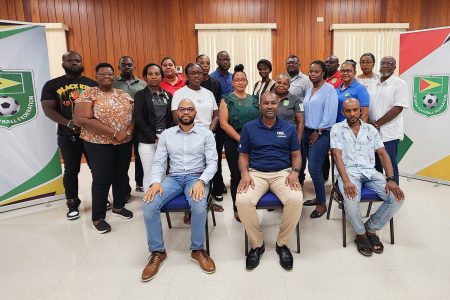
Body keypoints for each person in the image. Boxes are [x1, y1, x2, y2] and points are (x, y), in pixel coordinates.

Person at [141, 99, 217, 281]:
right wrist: (155, 182)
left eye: (190, 109)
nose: (186, 112)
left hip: (196, 177)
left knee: (199, 206)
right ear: (176, 113)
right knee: (149, 205)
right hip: (173, 178)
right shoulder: (167, 135)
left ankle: (197, 249)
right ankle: (157, 252)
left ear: (195, 113)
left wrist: (201, 181)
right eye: (182, 109)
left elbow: (213, 162)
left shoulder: (206, 134)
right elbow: (159, 162)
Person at [236, 92, 303, 270]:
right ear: (260, 106)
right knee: (242, 200)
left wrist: (295, 172)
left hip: (283, 173)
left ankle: (282, 244)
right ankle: (257, 244)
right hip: (256, 173)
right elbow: (243, 156)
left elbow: (296, 155)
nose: (270, 106)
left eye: (273, 103)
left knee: (296, 199)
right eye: (266, 103)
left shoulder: (288, 128)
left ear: (278, 106)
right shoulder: (249, 128)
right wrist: (245, 173)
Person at [331, 98, 404, 256]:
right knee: (350, 201)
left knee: (397, 197)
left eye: (355, 110)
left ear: (360, 111)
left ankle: (370, 228)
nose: (352, 114)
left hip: (370, 172)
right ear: (343, 112)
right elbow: (337, 156)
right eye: (348, 111)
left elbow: (383, 153)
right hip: (348, 173)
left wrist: (391, 179)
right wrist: (346, 181)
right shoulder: (337, 129)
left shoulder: (371, 130)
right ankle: (360, 234)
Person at [41, 51, 103, 220]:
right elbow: (48, 109)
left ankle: (101, 200)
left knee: (97, 168)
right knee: (71, 170)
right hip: (67, 135)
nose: (74, 63)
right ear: (63, 63)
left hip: (92, 135)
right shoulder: (52, 85)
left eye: (77, 60)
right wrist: (69, 123)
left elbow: (99, 108)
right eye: (70, 60)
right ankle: (73, 204)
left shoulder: (91, 84)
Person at [73, 63, 134, 234]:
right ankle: (98, 217)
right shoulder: (88, 93)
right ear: (96, 75)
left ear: (114, 75)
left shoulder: (123, 94)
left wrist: (128, 132)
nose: (106, 76)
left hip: (123, 142)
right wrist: (114, 132)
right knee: (102, 178)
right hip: (98, 143)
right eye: (102, 73)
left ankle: (119, 206)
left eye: (109, 73)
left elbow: (133, 116)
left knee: (121, 175)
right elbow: (82, 120)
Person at [171, 63, 221, 219]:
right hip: (188, 137)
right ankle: (189, 207)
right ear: (187, 75)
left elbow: (216, 115)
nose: (197, 76)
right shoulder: (180, 93)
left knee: (210, 168)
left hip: (207, 136)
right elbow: (176, 117)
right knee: (192, 171)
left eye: (199, 73)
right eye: (193, 73)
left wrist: (209, 131)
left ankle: (207, 199)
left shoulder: (208, 93)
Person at [219, 65, 260, 222]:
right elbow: (223, 123)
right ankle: (238, 208)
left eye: (243, 79)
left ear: (247, 82)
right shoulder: (226, 100)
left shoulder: (255, 99)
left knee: (254, 173)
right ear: (232, 82)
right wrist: (241, 139)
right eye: (237, 80)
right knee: (237, 175)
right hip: (233, 141)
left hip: (255, 142)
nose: (240, 82)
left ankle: (252, 204)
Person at [302, 61, 338, 218]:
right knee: (313, 167)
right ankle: (318, 197)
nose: (312, 74)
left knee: (314, 168)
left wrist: (318, 130)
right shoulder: (310, 89)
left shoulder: (329, 89)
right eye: (310, 71)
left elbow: (330, 115)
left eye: (316, 71)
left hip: (322, 132)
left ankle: (322, 204)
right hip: (307, 131)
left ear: (323, 73)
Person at [367, 56, 409, 185]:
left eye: (389, 63)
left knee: (389, 163)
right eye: (383, 63)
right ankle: (380, 189)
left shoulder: (399, 84)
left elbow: (398, 108)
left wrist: (376, 124)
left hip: (389, 132)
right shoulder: (373, 83)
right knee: (376, 163)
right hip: (373, 130)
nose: (385, 65)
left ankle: (394, 193)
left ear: (394, 67)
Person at [134, 63, 174, 193]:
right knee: (149, 174)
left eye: (157, 74)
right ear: (145, 77)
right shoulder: (140, 95)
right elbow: (139, 118)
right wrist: (154, 137)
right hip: (147, 140)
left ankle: (160, 201)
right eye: (150, 74)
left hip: (166, 138)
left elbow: (171, 119)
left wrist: (166, 136)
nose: (154, 77)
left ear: (162, 77)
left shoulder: (168, 96)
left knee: (162, 172)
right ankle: (149, 203)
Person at [113, 56, 146, 194]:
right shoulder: (113, 83)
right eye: (124, 64)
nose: (127, 67)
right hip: (121, 127)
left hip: (140, 126)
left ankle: (140, 183)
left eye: (129, 64)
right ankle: (125, 189)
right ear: (119, 67)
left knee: (141, 155)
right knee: (122, 159)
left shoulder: (143, 84)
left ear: (134, 67)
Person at [196, 54, 227, 202]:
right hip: (195, 130)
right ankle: (201, 189)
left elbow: (219, 107)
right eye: (202, 63)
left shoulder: (215, 83)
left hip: (214, 128)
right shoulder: (190, 85)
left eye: (207, 63)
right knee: (199, 161)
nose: (205, 65)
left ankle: (217, 187)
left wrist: (212, 128)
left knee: (215, 159)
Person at [273, 73, 305, 184]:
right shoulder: (269, 96)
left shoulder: (296, 100)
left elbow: (300, 122)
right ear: (275, 83)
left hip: (289, 137)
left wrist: (298, 140)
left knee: (292, 162)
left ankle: (295, 182)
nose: (281, 85)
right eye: (279, 82)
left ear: (289, 86)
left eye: (285, 84)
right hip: (272, 136)